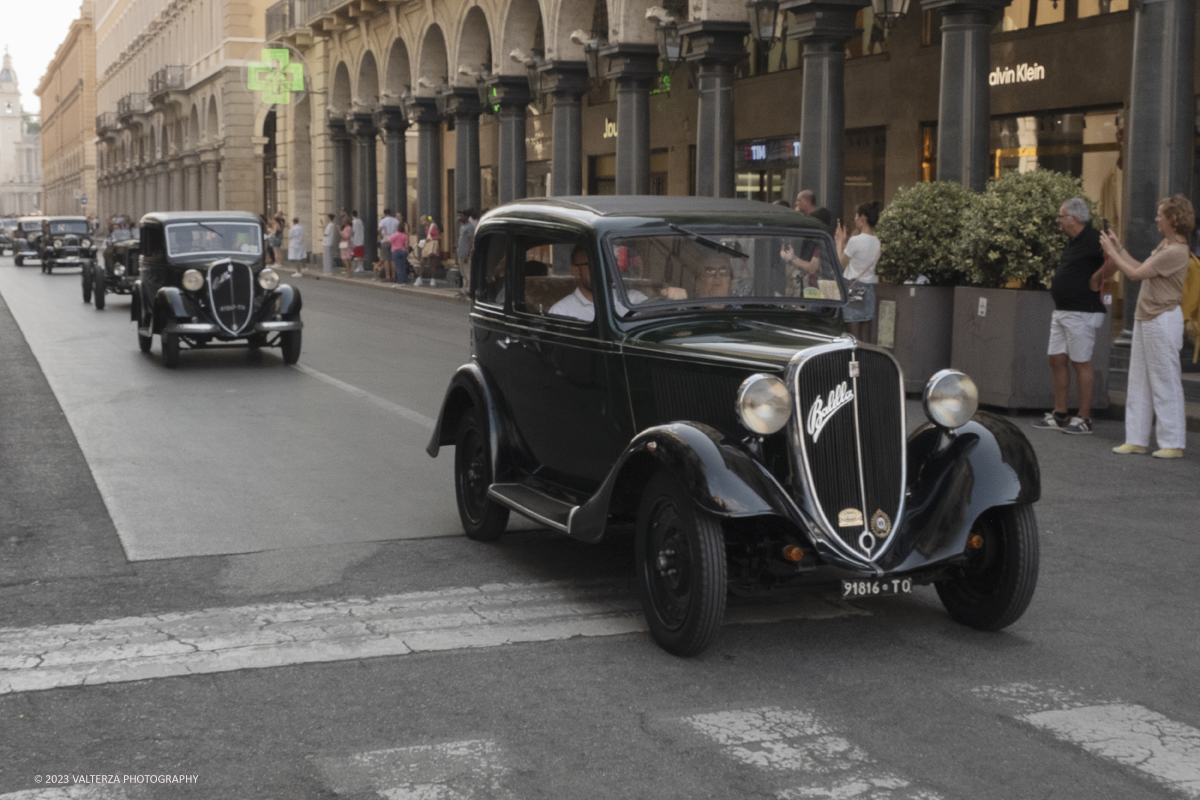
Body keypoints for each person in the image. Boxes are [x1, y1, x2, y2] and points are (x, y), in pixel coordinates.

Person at [1100, 194, 1192, 459]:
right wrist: (1118, 248)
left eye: (1160, 215)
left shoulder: (1175, 251)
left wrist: (1110, 252)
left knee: (1165, 381)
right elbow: (1141, 267)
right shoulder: (1166, 245)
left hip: (1162, 318)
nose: (1156, 219)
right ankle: (1136, 439)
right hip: (1148, 317)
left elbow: (1133, 274)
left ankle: (1172, 442)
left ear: (1173, 219)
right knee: (1138, 380)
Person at [1032, 198, 1113, 435]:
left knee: (1081, 362)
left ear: (1073, 219)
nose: (1058, 220)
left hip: (1082, 311)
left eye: (1061, 216)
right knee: (1056, 359)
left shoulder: (1095, 238)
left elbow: (1116, 258)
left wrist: (1097, 278)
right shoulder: (1073, 241)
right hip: (1062, 309)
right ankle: (1060, 414)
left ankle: (1084, 418)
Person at [835, 201, 882, 342]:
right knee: (865, 336)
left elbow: (841, 265)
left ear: (863, 218)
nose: (855, 219)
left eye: (856, 215)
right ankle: (865, 363)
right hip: (869, 288)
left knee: (853, 336)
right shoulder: (878, 241)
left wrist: (839, 242)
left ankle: (854, 364)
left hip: (855, 287)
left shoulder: (855, 241)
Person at [378, 207, 399, 281]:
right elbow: (398, 229)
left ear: (384, 213)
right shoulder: (395, 220)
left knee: (386, 259)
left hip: (385, 240)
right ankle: (393, 276)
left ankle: (388, 276)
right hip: (394, 241)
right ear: (390, 212)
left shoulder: (383, 221)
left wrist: (381, 236)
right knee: (393, 260)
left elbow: (379, 229)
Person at [389, 219, 409, 284]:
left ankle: (399, 281)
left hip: (396, 251)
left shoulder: (395, 235)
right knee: (403, 266)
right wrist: (407, 252)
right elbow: (406, 245)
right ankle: (403, 279)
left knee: (398, 267)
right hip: (403, 251)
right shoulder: (405, 236)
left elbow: (390, 240)